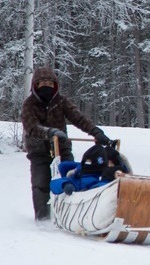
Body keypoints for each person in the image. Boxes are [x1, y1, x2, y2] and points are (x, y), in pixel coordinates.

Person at [20, 66, 112, 223]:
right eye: (42, 84)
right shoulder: (29, 104)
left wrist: (95, 132)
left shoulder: (61, 101)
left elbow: (78, 118)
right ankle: (43, 220)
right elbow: (32, 127)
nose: (46, 87)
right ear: (35, 86)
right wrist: (49, 133)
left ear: (55, 85)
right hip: (39, 151)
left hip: (62, 149)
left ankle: (68, 216)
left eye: (50, 84)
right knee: (41, 184)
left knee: (70, 180)